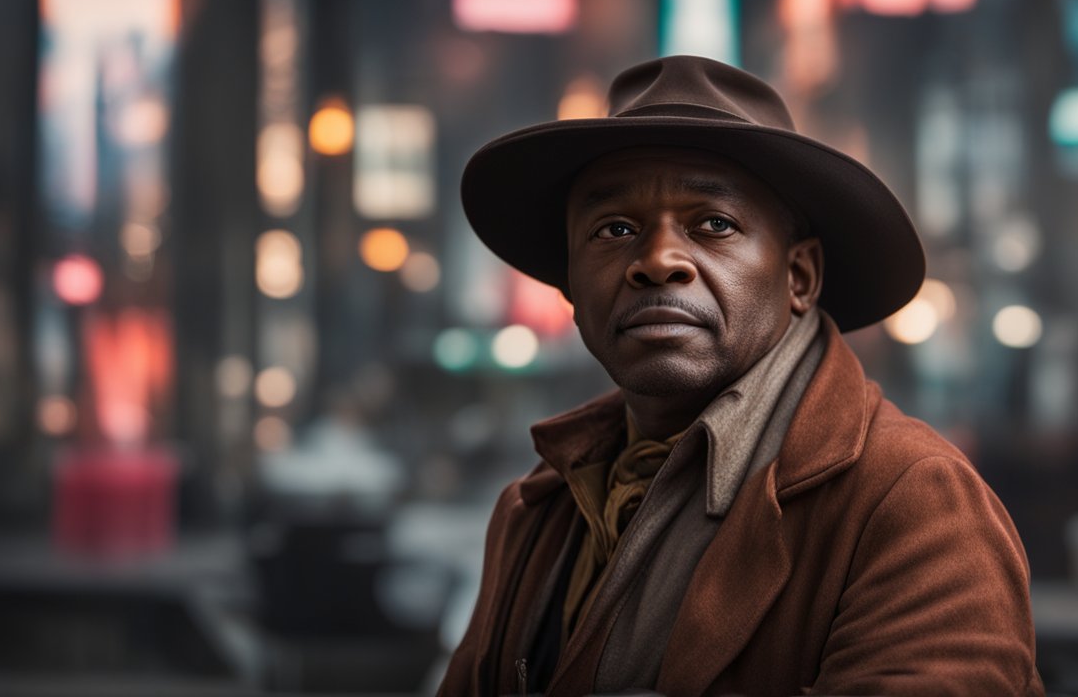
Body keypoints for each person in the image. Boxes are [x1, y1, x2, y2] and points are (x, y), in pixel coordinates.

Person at [439, 55, 1044, 696]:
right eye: (614, 229)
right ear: (570, 286)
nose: (658, 260)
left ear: (799, 277)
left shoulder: (911, 502)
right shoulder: (539, 509)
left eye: (715, 225)